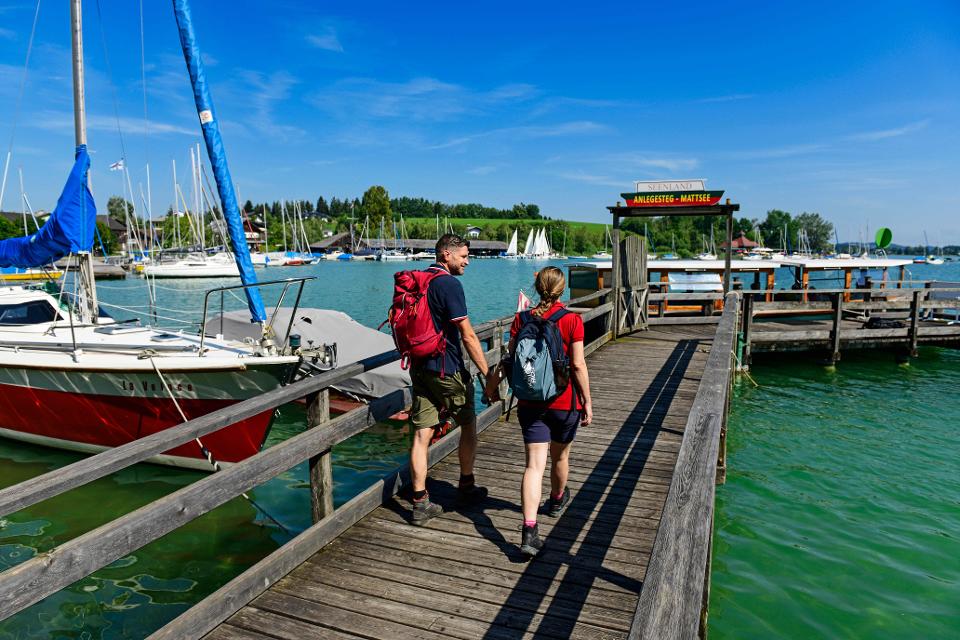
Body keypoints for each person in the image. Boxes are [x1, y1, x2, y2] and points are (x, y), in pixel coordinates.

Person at [488, 266, 593, 557]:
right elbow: (578, 365)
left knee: (534, 466)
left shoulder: (521, 319)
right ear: (562, 290)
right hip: (564, 402)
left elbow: (509, 359)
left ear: (538, 288)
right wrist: (587, 401)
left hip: (529, 403)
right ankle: (557, 499)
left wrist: (490, 388)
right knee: (560, 456)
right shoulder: (572, 320)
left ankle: (529, 530)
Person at [407, 233, 489, 525]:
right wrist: (488, 373)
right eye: (464, 256)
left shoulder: (421, 280)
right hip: (446, 368)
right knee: (468, 424)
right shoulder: (449, 284)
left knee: (421, 434)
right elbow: (467, 334)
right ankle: (466, 486)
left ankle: (419, 502)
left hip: (419, 367)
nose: (467, 261)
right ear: (446, 255)